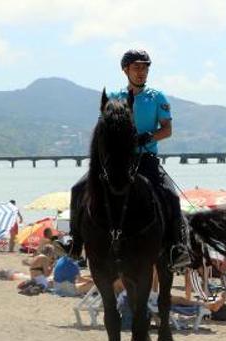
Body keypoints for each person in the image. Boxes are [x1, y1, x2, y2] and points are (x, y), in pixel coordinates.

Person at [68, 48, 190, 271]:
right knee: (77, 188)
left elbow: (167, 130)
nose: (142, 71)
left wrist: (148, 137)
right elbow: (102, 126)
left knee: (171, 196)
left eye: (145, 67)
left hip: (145, 157)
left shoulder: (158, 97)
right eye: (137, 67)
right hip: (117, 159)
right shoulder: (114, 97)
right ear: (126, 70)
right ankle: (73, 242)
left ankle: (176, 248)